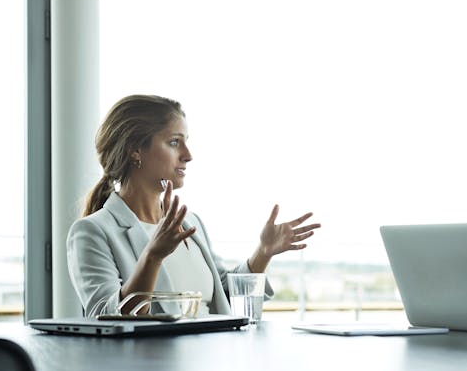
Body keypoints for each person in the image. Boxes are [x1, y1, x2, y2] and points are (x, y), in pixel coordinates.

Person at [67, 94, 321, 317]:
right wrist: (153, 256)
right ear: (136, 150)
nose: (188, 155)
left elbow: (225, 294)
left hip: (212, 362)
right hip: (149, 369)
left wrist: (263, 252)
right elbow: (105, 317)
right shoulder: (92, 232)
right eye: (175, 142)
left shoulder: (191, 223)